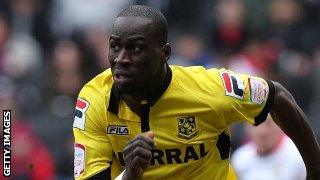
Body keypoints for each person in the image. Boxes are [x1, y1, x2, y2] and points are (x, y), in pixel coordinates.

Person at [72, 5, 320, 180]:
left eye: (135, 48)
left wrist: (315, 170)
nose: (122, 59)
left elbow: (276, 95)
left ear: (164, 54)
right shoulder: (94, 99)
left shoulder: (210, 89)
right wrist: (131, 175)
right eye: (115, 47)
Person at [231, 115, 306, 180]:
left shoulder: (299, 158)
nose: (261, 131)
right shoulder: (239, 158)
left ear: (280, 124)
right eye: (254, 124)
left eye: (268, 124)